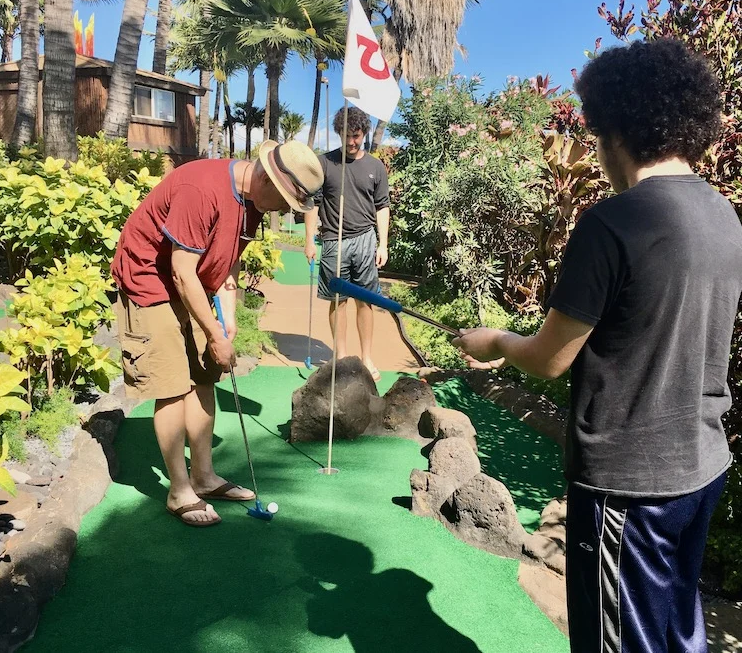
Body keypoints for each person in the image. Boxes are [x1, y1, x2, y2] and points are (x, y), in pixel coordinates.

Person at [453, 39, 742, 652]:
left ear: (615, 128)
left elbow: (551, 356)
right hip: (702, 466)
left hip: (629, 486)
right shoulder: (725, 216)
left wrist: (497, 341)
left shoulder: (612, 222)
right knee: (677, 631)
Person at [111, 140, 323, 527]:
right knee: (172, 382)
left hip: (191, 282)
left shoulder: (254, 203)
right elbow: (180, 271)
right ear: (266, 178)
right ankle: (179, 491)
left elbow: (228, 261)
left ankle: (204, 477)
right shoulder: (202, 190)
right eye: (285, 203)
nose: (283, 213)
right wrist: (213, 334)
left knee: (205, 374)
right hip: (150, 282)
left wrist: (227, 319)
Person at [304, 106, 390, 382]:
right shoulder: (325, 164)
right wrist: (309, 240)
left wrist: (383, 244)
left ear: (364, 133)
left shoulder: (375, 167)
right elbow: (311, 204)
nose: (352, 142)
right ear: (338, 134)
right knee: (337, 301)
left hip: (366, 240)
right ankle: (340, 357)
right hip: (333, 240)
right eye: (346, 136)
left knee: (365, 301)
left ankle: (366, 357)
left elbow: (382, 207)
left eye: (356, 136)